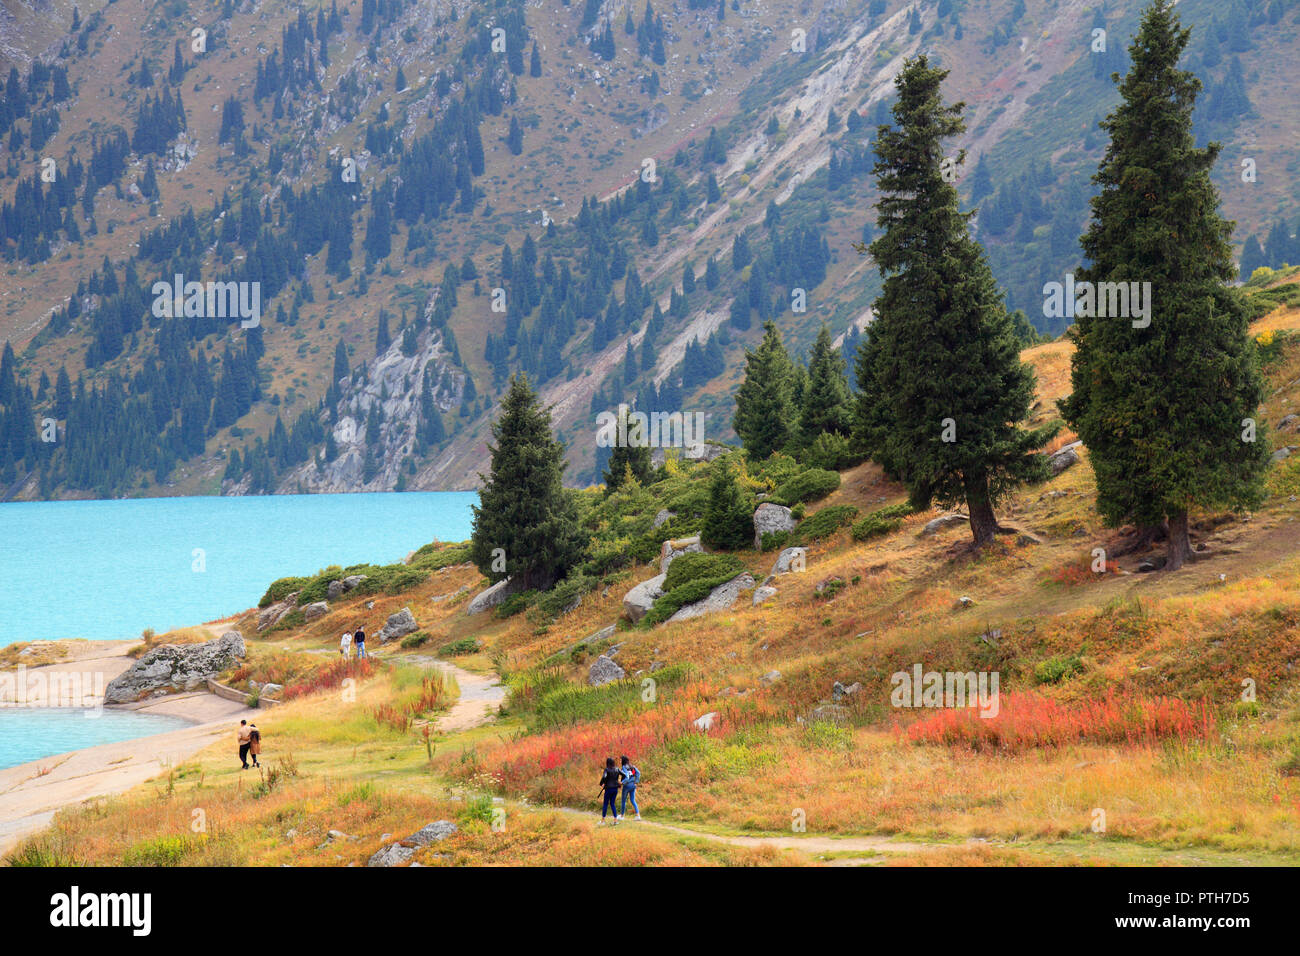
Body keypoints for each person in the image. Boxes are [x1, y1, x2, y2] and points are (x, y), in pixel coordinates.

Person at [598, 756, 622, 824]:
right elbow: (624, 775)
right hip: (615, 789)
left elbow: (604, 777)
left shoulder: (607, 770)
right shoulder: (617, 769)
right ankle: (615, 820)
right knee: (612, 804)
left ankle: (603, 821)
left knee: (605, 804)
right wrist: (620, 782)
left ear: (607, 763)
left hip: (608, 789)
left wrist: (601, 783)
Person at [619, 755, 641, 821]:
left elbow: (627, 776)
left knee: (623, 801)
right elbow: (638, 773)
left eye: (621, 760)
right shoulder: (632, 766)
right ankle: (638, 815)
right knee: (632, 800)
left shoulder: (624, 767)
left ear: (623, 760)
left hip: (627, 786)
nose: (620, 761)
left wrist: (622, 782)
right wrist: (636, 782)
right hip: (633, 785)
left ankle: (622, 816)